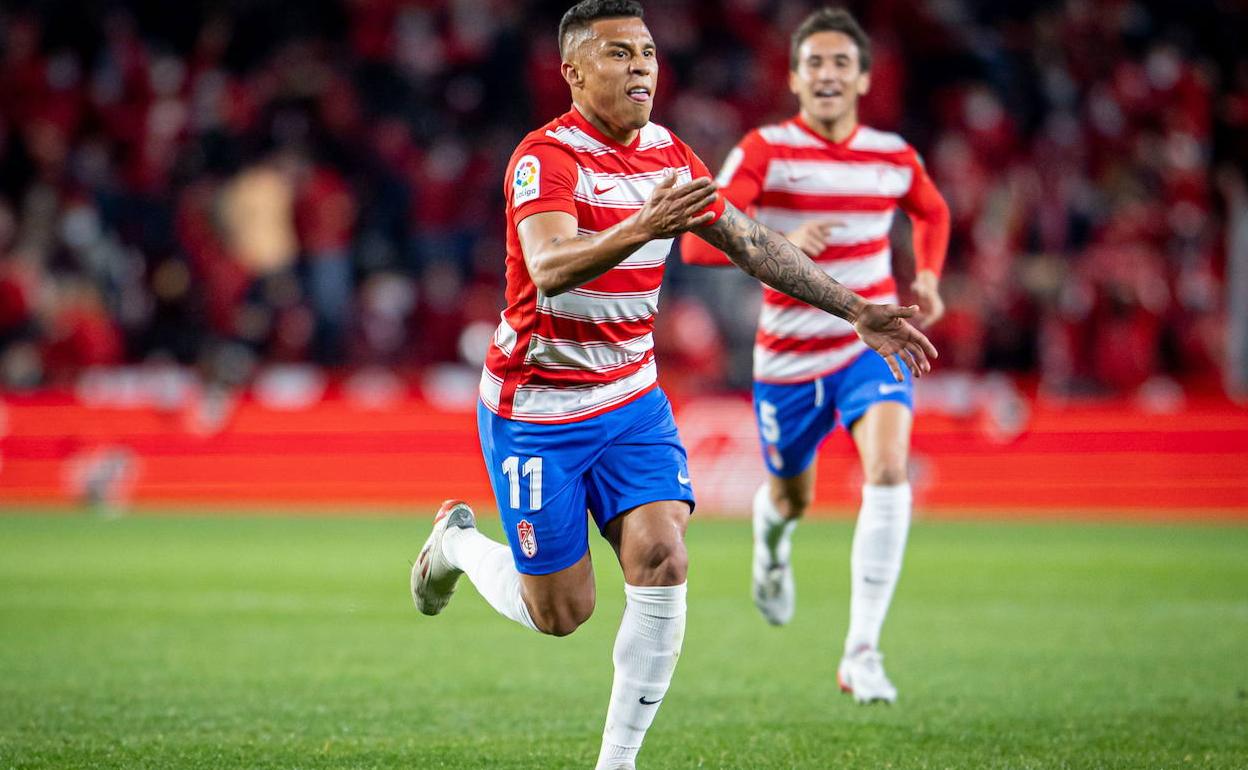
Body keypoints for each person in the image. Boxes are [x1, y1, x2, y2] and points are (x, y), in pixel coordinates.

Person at [410, 2, 936, 767]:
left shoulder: (670, 155)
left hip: (629, 399)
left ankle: (616, 764)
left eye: (648, 52)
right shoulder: (545, 158)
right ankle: (457, 544)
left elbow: (751, 242)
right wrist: (641, 227)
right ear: (573, 71)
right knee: (561, 613)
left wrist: (856, 309)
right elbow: (551, 267)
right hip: (537, 409)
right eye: (619, 54)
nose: (642, 68)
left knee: (663, 557)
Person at [681, 7, 950, 705]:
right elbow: (696, 242)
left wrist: (925, 278)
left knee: (889, 469)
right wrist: (781, 235)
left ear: (862, 77)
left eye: (840, 63)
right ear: (794, 78)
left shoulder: (893, 155)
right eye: (814, 63)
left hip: (871, 345)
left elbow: (933, 211)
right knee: (790, 498)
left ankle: (862, 651)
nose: (827, 74)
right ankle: (772, 547)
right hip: (789, 362)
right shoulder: (767, 151)